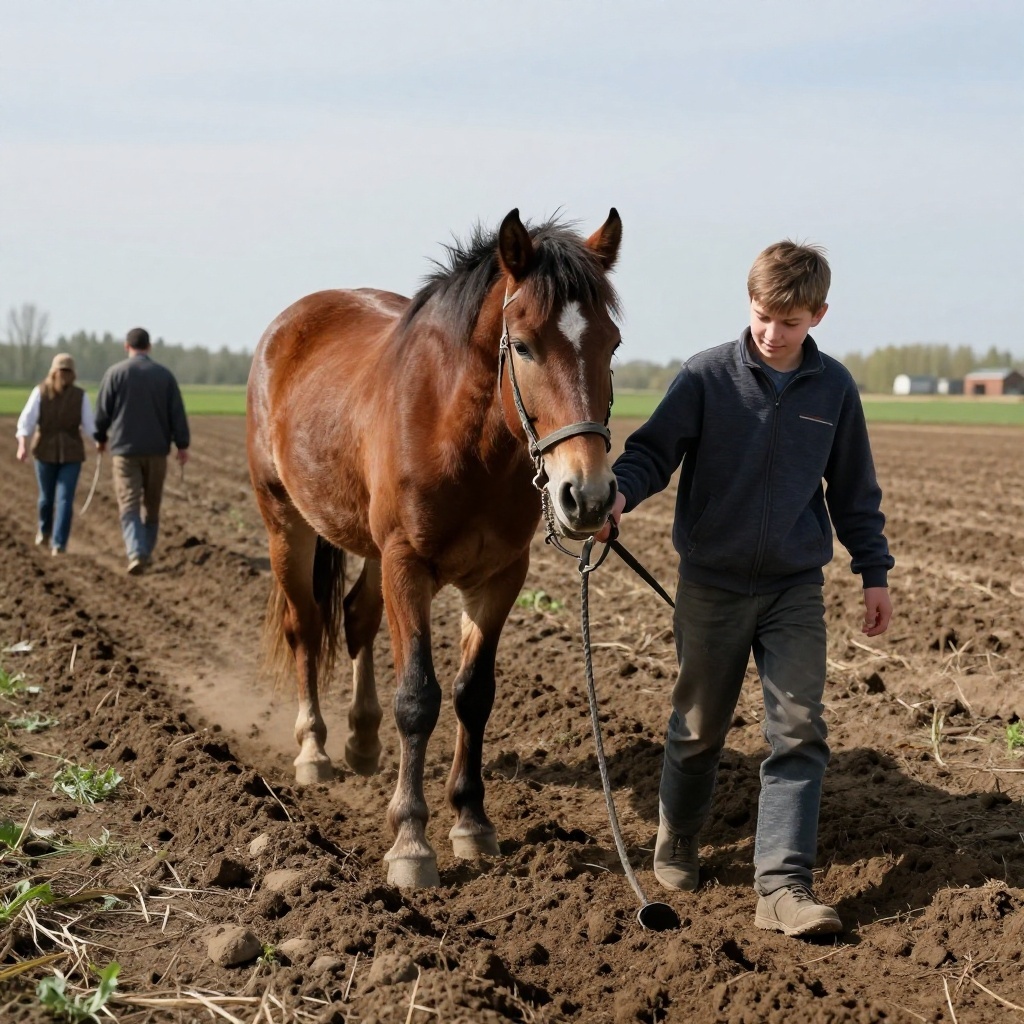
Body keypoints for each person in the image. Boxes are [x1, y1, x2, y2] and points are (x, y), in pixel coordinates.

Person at [598, 241, 894, 937]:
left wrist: (873, 571)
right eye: (763, 316)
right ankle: (678, 834)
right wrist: (619, 496)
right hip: (712, 585)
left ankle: (783, 886)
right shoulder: (707, 376)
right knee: (699, 729)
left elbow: (855, 489)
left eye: (789, 321)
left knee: (799, 731)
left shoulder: (834, 389)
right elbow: (651, 453)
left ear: (818, 315)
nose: (772, 333)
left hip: (794, 588)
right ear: (749, 303)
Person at [93, 327, 190, 575]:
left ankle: (137, 552)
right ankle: (144, 550)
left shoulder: (114, 374)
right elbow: (177, 413)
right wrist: (182, 445)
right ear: (149, 347)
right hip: (156, 450)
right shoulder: (164, 376)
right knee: (152, 504)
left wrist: (100, 438)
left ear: (127, 346)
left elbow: (102, 412)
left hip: (124, 451)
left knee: (129, 503)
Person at [15, 353, 97, 556]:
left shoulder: (80, 396)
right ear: (53, 372)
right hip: (44, 451)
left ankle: (59, 543)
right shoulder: (40, 392)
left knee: (65, 499)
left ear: (73, 374)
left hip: (72, 453)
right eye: (61, 371)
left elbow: (89, 425)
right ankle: (44, 531)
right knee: (46, 498)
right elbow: (26, 421)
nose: (64, 375)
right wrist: (22, 444)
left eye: (68, 371)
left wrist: (99, 441)